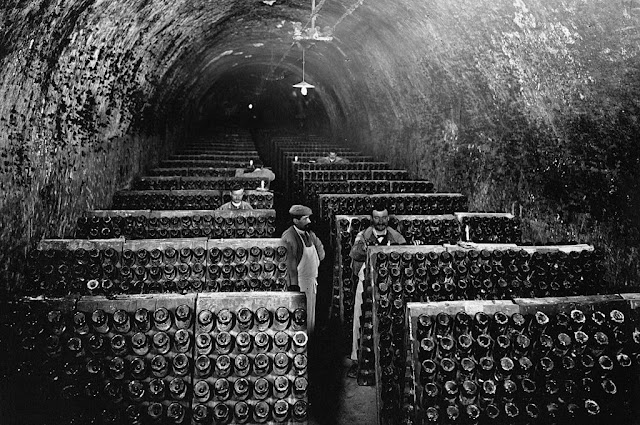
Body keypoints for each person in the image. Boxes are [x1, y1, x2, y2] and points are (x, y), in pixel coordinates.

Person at [347, 202, 407, 377]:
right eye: (377, 218)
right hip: (365, 283)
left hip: (388, 286)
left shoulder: (397, 237)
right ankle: (357, 360)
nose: (380, 221)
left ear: (388, 218)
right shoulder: (363, 236)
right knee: (359, 320)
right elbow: (354, 255)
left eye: (384, 218)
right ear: (371, 218)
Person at [281, 205, 326, 337]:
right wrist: (293, 287)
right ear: (296, 220)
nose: (309, 221)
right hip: (298, 284)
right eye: (305, 219)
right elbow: (289, 266)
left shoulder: (309, 235)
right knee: (299, 320)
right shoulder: (289, 237)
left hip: (310, 283)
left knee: (310, 319)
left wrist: (314, 239)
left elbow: (321, 254)